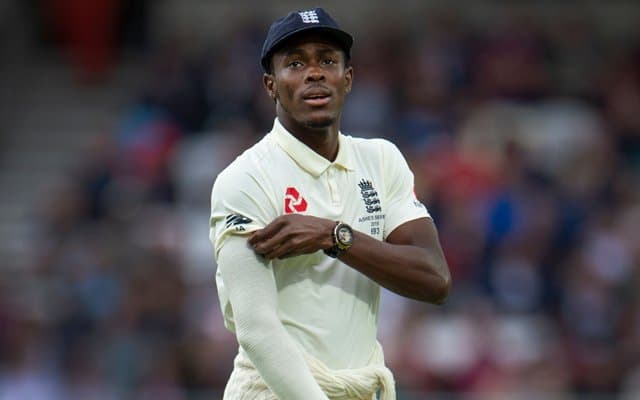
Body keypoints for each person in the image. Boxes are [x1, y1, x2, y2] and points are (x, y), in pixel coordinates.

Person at [209, 7, 451, 400]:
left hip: (358, 389)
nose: (314, 72)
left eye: (326, 60)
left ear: (347, 78)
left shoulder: (381, 160)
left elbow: (435, 279)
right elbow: (257, 332)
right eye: (295, 63)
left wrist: (335, 237)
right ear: (270, 85)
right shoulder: (245, 179)